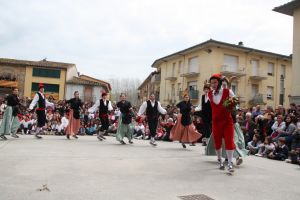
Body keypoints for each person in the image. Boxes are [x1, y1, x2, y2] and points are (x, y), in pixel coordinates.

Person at [207, 74, 236, 172]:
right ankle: (219, 160)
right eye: (211, 83)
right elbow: (202, 106)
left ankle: (230, 162)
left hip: (227, 121)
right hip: (216, 122)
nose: (213, 84)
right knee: (217, 141)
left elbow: (235, 102)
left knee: (229, 140)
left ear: (219, 82)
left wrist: (230, 104)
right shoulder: (209, 94)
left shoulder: (228, 91)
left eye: (215, 82)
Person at [195, 82, 212, 146]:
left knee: (208, 127)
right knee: (205, 127)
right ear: (204, 90)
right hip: (204, 114)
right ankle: (206, 140)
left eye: (207, 89)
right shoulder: (202, 96)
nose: (206, 90)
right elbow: (200, 106)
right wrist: (195, 109)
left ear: (209, 90)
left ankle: (208, 141)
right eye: (205, 89)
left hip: (210, 114)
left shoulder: (211, 96)